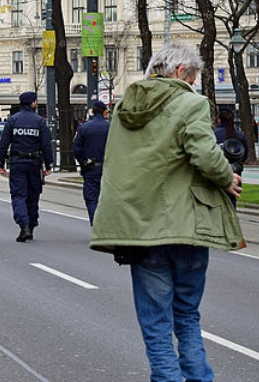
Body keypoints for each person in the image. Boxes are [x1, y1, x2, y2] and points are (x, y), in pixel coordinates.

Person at [90, 43, 244, 382]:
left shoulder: (125, 108)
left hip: (140, 228)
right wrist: (227, 178)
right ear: (179, 71)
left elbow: (118, 165)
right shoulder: (192, 103)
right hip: (186, 226)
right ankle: (198, 377)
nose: (192, 85)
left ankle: (167, 378)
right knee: (187, 314)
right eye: (192, 78)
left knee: (155, 322)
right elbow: (204, 154)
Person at [0, 91, 53, 243]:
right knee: (33, 195)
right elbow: (46, 145)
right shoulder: (39, 121)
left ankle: (24, 225)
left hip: (17, 162)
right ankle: (31, 225)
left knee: (19, 195)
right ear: (33, 103)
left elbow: (4, 143)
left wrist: (0, 162)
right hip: (34, 163)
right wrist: (49, 164)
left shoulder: (13, 120)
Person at [72, 101, 110, 225]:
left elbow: (76, 149)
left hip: (90, 169)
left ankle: (96, 224)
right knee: (107, 199)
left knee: (91, 198)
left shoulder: (84, 128)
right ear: (105, 112)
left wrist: (82, 162)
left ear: (92, 111)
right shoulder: (111, 127)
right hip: (108, 170)